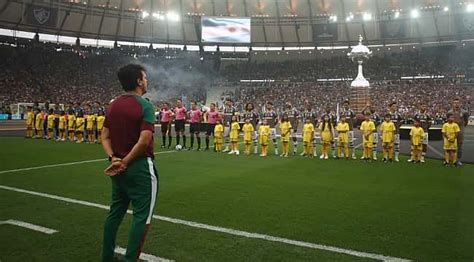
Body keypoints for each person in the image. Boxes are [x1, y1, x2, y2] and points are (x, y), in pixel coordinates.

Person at [101, 64, 158, 262]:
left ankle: (106, 257)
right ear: (139, 81)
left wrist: (113, 158)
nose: (147, 80)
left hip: (117, 168)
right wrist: (125, 161)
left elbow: (104, 136)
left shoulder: (113, 105)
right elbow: (144, 141)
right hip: (140, 166)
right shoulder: (145, 105)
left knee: (115, 213)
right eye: (145, 77)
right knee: (142, 217)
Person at [447, 97, 469, 166]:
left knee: (459, 145)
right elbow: (448, 120)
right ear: (452, 104)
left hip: (460, 131)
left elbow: (466, 121)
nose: (456, 104)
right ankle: (450, 159)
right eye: (455, 103)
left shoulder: (464, 112)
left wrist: (461, 127)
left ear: (460, 104)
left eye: (458, 103)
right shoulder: (449, 112)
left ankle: (458, 160)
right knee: (450, 145)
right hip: (451, 131)